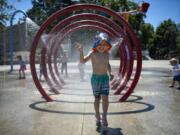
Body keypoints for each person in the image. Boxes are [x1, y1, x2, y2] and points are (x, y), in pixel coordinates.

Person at [76, 33, 114, 129]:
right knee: (97, 98)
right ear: (96, 44)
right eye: (100, 44)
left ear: (107, 46)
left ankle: (104, 117)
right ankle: (97, 115)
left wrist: (111, 72)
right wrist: (81, 51)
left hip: (105, 78)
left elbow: (107, 64)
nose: (102, 47)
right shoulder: (92, 53)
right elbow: (83, 61)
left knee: (105, 98)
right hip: (95, 79)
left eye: (104, 45)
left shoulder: (106, 54)